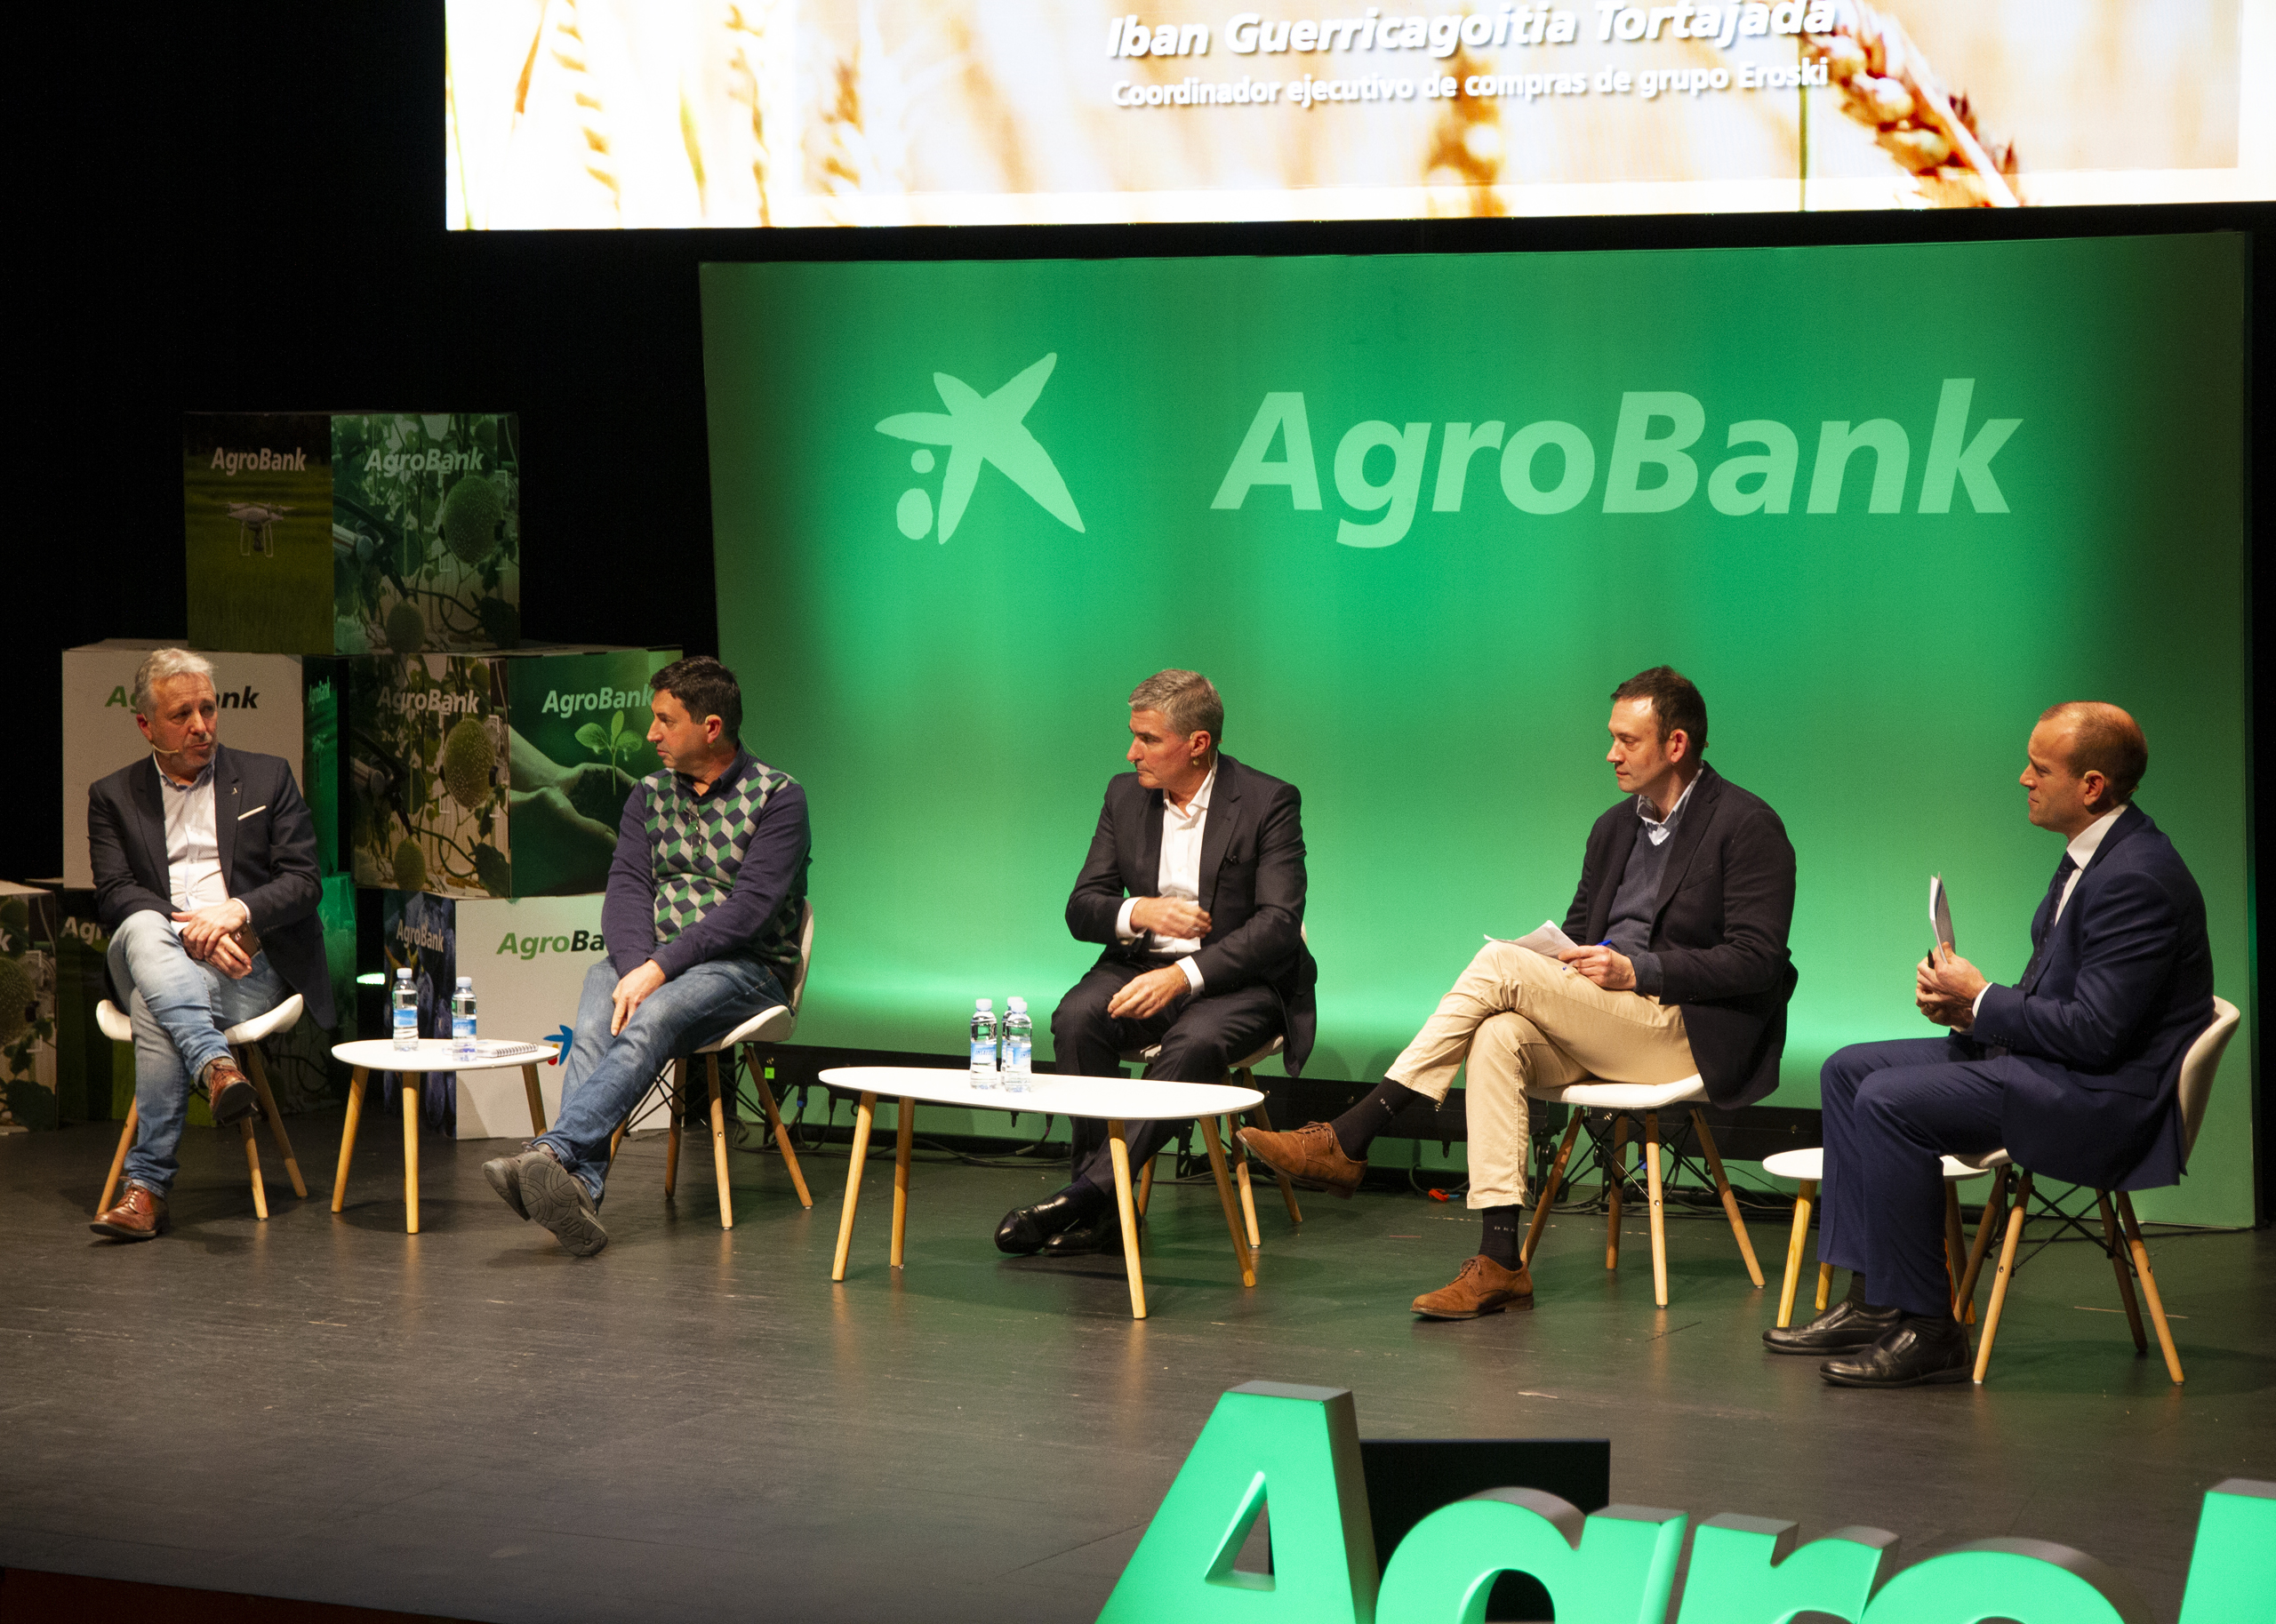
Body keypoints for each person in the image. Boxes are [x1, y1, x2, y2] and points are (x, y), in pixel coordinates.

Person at [1241, 667, 1797, 1320]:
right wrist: (1570, 958)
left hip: (1683, 1030)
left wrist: (1641, 971)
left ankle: (1352, 1134)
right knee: (1498, 1034)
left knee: (1498, 964)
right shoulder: (1612, 828)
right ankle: (1501, 1260)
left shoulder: (1747, 824)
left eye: (1627, 740)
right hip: (1608, 1019)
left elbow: (1758, 961)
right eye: (1611, 737)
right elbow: (1581, 931)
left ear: (1676, 744)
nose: (1610, 753)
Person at [1769, 702, 2213, 1388]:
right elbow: (2067, 1000)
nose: (2022, 779)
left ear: (2092, 786)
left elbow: (2098, 1035)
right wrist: (1968, 1008)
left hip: (2101, 1096)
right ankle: (1875, 1298)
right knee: (1849, 1069)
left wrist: (1982, 1000)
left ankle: (1929, 1326)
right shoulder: (2093, 857)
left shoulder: (2137, 878)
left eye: (2039, 768)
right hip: (2054, 1063)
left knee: (1889, 1100)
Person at [482, 656, 810, 1257]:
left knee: (650, 1013)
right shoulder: (648, 796)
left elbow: (749, 911)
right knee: (596, 1009)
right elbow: (628, 888)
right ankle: (577, 1188)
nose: (652, 733)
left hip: (747, 968)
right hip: (656, 962)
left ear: (711, 727)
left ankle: (551, 1151)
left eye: (665, 720)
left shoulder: (779, 798)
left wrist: (658, 970)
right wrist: (640, 964)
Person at [994, 669, 1317, 1258]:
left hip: (1237, 982)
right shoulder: (1124, 795)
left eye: (1148, 739)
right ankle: (1108, 1209)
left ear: (1198, 743)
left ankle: (1088, 1196)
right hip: (1138, 965)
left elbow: (1276, 925)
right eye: (1133, 736)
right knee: (1077, 1017)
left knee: (1193, 1044)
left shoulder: (1268, 801)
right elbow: (1081, 908)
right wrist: (1141, 910)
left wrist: (1182, 975)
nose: (1131, 751)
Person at [86, 649, 335, 1240]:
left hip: (244, 964)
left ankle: (145, 1191)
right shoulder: (112, 796)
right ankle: (215, 1065)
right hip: (151, 949)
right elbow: (116, 894)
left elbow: (304, 882)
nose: (201, 725)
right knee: (146, 928)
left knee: (156, 1006)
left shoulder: (267, 776)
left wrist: (235, 912)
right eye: (182, 714)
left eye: (208, 708)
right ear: (147, 724)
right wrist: (188, 935)